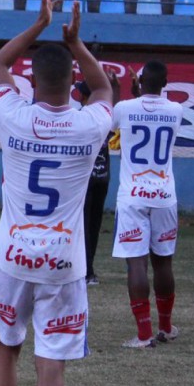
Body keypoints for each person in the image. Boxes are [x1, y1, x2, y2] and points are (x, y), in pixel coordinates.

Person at [0, 0, 112, 386]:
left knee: (5, 347)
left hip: (12, 254)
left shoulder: (12, 115)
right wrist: (76, 43)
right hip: (62, 260)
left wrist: (38, 25)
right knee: (50, 360)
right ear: (71, 81)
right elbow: (104, 92)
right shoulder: (86, 125)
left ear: (30, 81)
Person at [112, 62, 183, 349]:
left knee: (136, 262)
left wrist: (126, 92)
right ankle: (165, 327)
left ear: (139, 81)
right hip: (165, 194)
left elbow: (116, 123)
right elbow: (154, 108)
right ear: (165, 82)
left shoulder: (125, 108)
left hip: (132, 195)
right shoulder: (176, 110)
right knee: (163, 261)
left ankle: (144, 335)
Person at [76, 79, 115, 286]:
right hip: (103, 177)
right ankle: (90, 271)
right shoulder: (104, 117)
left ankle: (86, 271)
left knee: (83, 226)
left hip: (85, 179)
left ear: (84, 96)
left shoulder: (81, 116)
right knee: (94, 224)